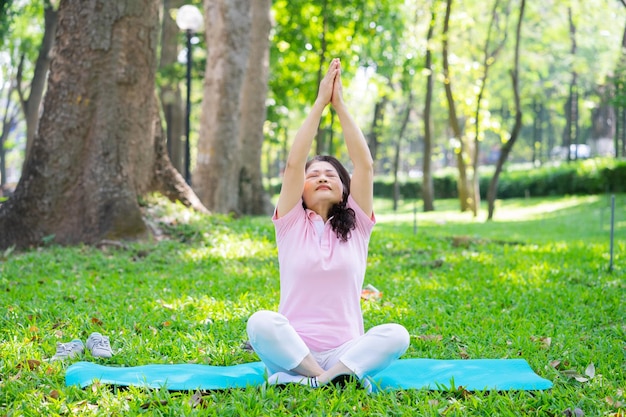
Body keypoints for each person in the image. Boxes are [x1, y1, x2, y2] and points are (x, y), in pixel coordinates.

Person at [246, 58, 410, 389]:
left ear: (344, 188)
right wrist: (320, 103)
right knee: (260, 322)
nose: (322, 176)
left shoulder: (358, 226)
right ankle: (327, 379)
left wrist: (341, 106)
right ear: (300, 189)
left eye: (331, 174)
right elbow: (293, 163)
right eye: (314, 174)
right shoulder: (291, 224)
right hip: (293, 350)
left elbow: (364, 165)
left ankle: (313, 380)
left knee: (397, 334)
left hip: (346, 350)